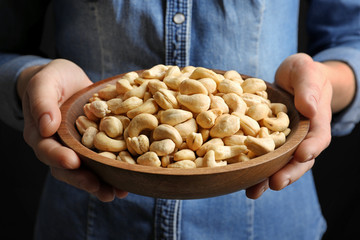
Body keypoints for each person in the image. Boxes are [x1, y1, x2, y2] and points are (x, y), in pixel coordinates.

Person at [1, 0, 359, 239]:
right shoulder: (136, 112)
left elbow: (352, 38)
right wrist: (30, 79)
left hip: (269, 221)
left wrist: (322, 84)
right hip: (86, 216)